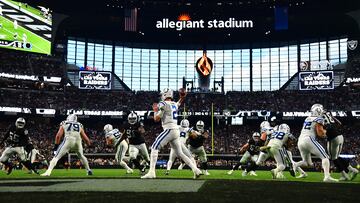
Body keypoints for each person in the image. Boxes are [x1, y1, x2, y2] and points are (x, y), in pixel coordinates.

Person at [141, 88, 202, 179]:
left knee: (154, 147)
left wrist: (154, 110)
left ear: (165, 95)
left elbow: (156, 119)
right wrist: (182, 97)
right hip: (175, 130)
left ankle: (152, 172)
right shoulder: (174, 104)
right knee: (180, 153)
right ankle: (196, 170)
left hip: (169, 129)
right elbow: (178, 103)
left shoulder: (163, 103)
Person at [293, 104, 338, 182]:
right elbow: (320, 133)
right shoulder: (319, 119)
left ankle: (295, 164)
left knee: (306, 163)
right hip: (309, 139)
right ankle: (327, 176)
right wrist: (326, 133)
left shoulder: (307, 118)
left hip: (300, 140)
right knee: (325, 157)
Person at [323, 111, 359, 180]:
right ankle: (352, 170)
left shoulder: (319, 117)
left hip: (333, 138)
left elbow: (322, 131)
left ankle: (344, 175)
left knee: (333, 158)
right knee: (336, 157)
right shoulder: (328, 114)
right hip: (340, 136)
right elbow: (339, 123)